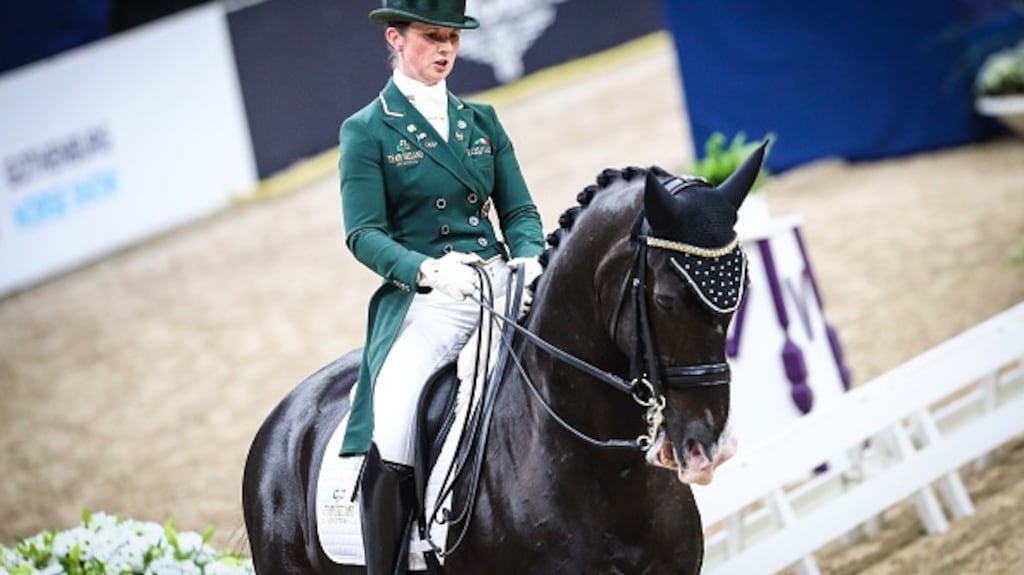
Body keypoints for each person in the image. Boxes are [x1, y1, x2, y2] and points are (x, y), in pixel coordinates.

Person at [337, 1, 545, 572]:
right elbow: (363, 234)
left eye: (452, 37)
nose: (446, 49)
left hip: (500, 289)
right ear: (396, 39)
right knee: (396, 419)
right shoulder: (366, 132)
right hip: (429, 303)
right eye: (431, 37)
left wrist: (528, 259)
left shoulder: (483, 122)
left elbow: (521, 213)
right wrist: (426, 270)